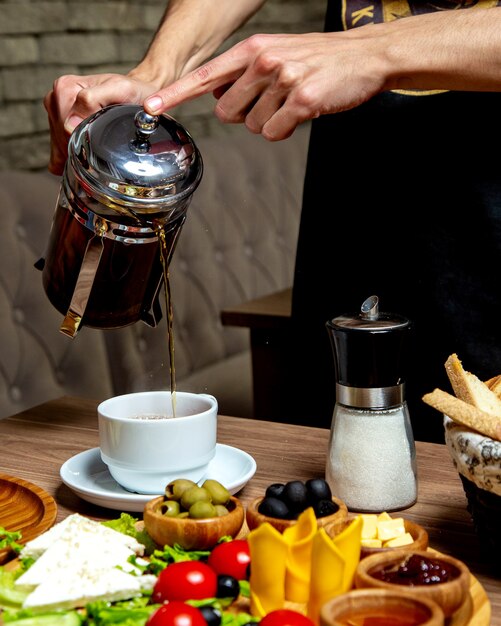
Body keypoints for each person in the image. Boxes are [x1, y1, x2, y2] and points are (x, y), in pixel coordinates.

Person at [44, 0, 501, 443]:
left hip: (484, 249)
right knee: (326, 479)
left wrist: (372, 49)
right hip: (348, 223)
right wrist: (156, 73)